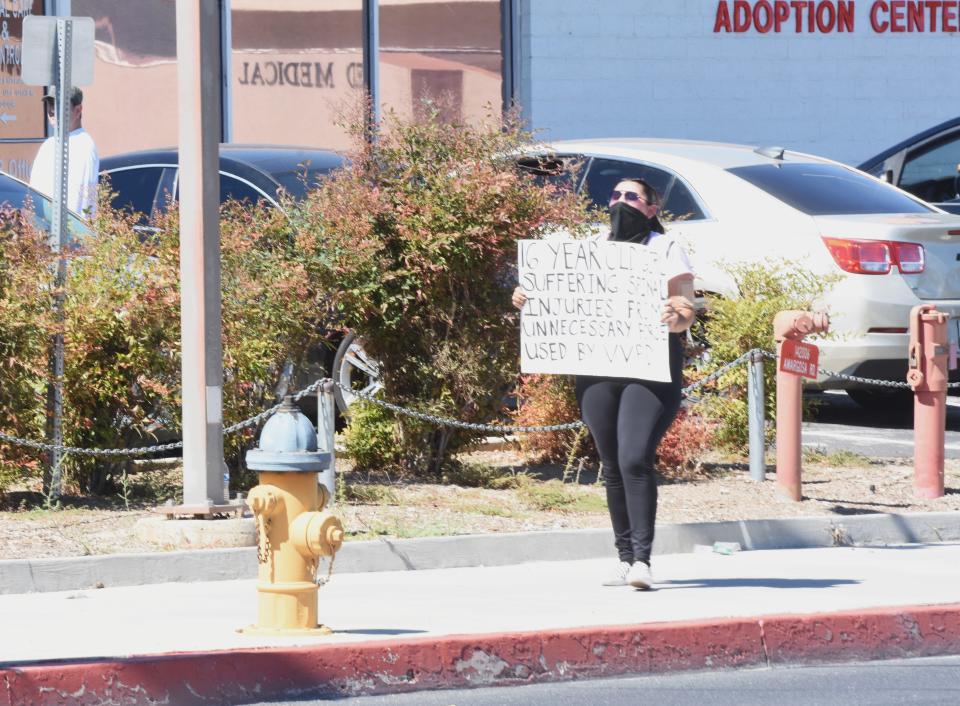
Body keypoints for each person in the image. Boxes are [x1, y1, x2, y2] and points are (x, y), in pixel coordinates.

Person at [513, 178, 697, 590]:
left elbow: (687, 305)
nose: (620, 202)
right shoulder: (591, 246)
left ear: (652, 208)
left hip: (650, 370)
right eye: (615, 196)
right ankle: (624, 556)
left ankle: (643, 561)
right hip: (597, 369)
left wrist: (677, 318)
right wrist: (528, 295)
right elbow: (557, 289)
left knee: (635, 458)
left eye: (631, 197)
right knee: (611, 464)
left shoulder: (664, 249)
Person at [29, 86, 100, 219]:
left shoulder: (83, 145)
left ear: (78, 110)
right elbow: (34, 195)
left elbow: (81, 202)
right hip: (41, 232)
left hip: (68, 233)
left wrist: (71, 236)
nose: (52, 110)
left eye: (59, 105)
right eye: (50, 104)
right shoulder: (48, 145)